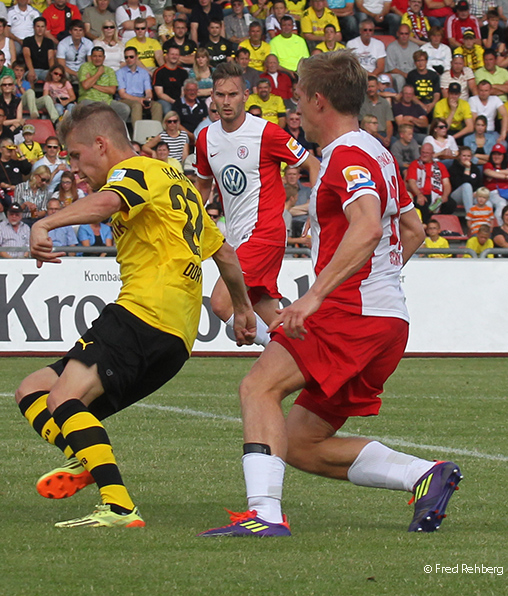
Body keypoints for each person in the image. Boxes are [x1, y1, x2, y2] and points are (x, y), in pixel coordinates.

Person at [199, 49, 462, 539]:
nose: (293, 108)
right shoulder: (377, 150)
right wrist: (378, 281)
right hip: (386, 321)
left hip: (352, 312)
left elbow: (365, 226)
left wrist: (316, 296)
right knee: (301, 443)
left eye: (297, 97)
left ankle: (264, 514)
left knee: (259, 388)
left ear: (318, 101)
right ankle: (424, 475)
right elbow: (412, 228)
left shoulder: (347, 155)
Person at [15, 101, 255, 528]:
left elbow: (108, 202)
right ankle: (85, 458)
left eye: (75, 155)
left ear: (102, 144)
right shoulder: (175, 179)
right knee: (33, 390)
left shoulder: (135, 171)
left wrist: (44, 224)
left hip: (144, 312)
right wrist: (242, 310)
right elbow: (225, 254)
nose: (73, 167)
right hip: (177, 336)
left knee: (63, 397)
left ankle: (118, 505)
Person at [196, 61, 318, 347]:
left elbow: (313, 164)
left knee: (221, 303)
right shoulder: (205, 138)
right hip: (236, 236)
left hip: (264, 232)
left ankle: (282, 360)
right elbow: (203, 185)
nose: (227, 102)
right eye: (221, 95)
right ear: (212, 96)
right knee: (269, 312)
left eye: (233, 95)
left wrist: (314, 208)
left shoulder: (267, 133)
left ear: (246, 95)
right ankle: (309, 353)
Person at [77, 46, 131, 122]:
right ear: (91, 57)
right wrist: (98, 73)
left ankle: (114, 130)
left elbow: (112, 90)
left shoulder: (109, 70)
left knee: (124, 109)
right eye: (95, 56)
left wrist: (92, 84)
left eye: (100, 56)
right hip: (89, 99)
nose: (97, 58)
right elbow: (85, 86)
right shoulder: (85, 67)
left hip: (107, 101)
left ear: (104, 57)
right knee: (96, 109)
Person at [407, 142, 453, 220]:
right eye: (423, 152)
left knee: (451, 204)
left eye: (427, 153)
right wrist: (419, 195)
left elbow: (446, 184)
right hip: (422, 194)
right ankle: (426, 226)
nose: (424, 155)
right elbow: (412, 182)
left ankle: (438, 224)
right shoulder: (414, 164)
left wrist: (445, 196)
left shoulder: (440, 166)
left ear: (433, 154)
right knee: (422, 203)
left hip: (438, 195)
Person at [23, 16, 56, 82]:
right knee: (31, 77)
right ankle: (31, 92)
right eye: (38, 26)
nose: (40, 29)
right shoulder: (27, 40)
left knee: (54, 77)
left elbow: (51, 58)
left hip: (45, 71)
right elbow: (27, 56)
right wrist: (31, 70)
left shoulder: (49, 42)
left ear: (45, 28)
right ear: (34, 27)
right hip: (32, 69)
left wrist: (52, 71)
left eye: (42, 26)